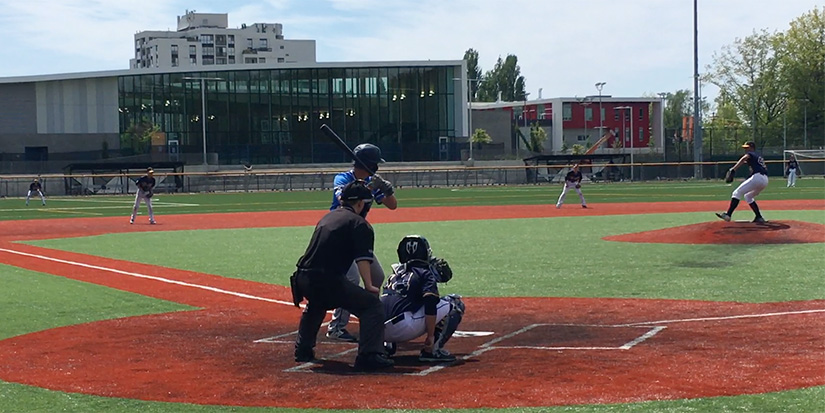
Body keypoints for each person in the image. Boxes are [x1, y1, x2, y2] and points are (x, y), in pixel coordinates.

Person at [291, 180, 393, 371]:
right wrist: (369, 285)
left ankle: (302, 350)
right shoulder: (360, 224)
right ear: (361, 204)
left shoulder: (328, 217)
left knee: (316, 304)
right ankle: (369, 356)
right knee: (372, 307)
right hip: (327, 279)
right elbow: (363, 259)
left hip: (303, 277)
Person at [326, 143, 398, 343]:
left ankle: (371, 319)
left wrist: (387, 190)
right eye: (375, 164)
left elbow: (393, 206)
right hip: (340, 236)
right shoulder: (343, 178)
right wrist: (368, 187)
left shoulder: (371, 181)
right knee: (350, 280)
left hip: (357, 236)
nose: (377, 167)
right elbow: (344, 199)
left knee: (377, 277)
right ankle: (336, 328)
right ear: (367, 164)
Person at [381, 235, 464, 362]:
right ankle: (432, 351)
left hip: (379, 331)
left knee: (396, 303)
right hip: (403, 328)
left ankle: (385, 347)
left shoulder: (394, 274)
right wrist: (430, 335)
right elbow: (430, 303)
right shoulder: (425, 273)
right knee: (455, 303)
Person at [716, 141, 769, 223]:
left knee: (736, 193)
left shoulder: (751, 154)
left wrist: (733, 169)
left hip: (758, 177)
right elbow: (753, 170)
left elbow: (744, 158)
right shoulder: (758, 156)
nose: (746, 150)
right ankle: (759, 217)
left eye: (747, 148)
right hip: (765, 180)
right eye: (745, 148)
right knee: (748, 196)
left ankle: (728, 215)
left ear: (752, 148)